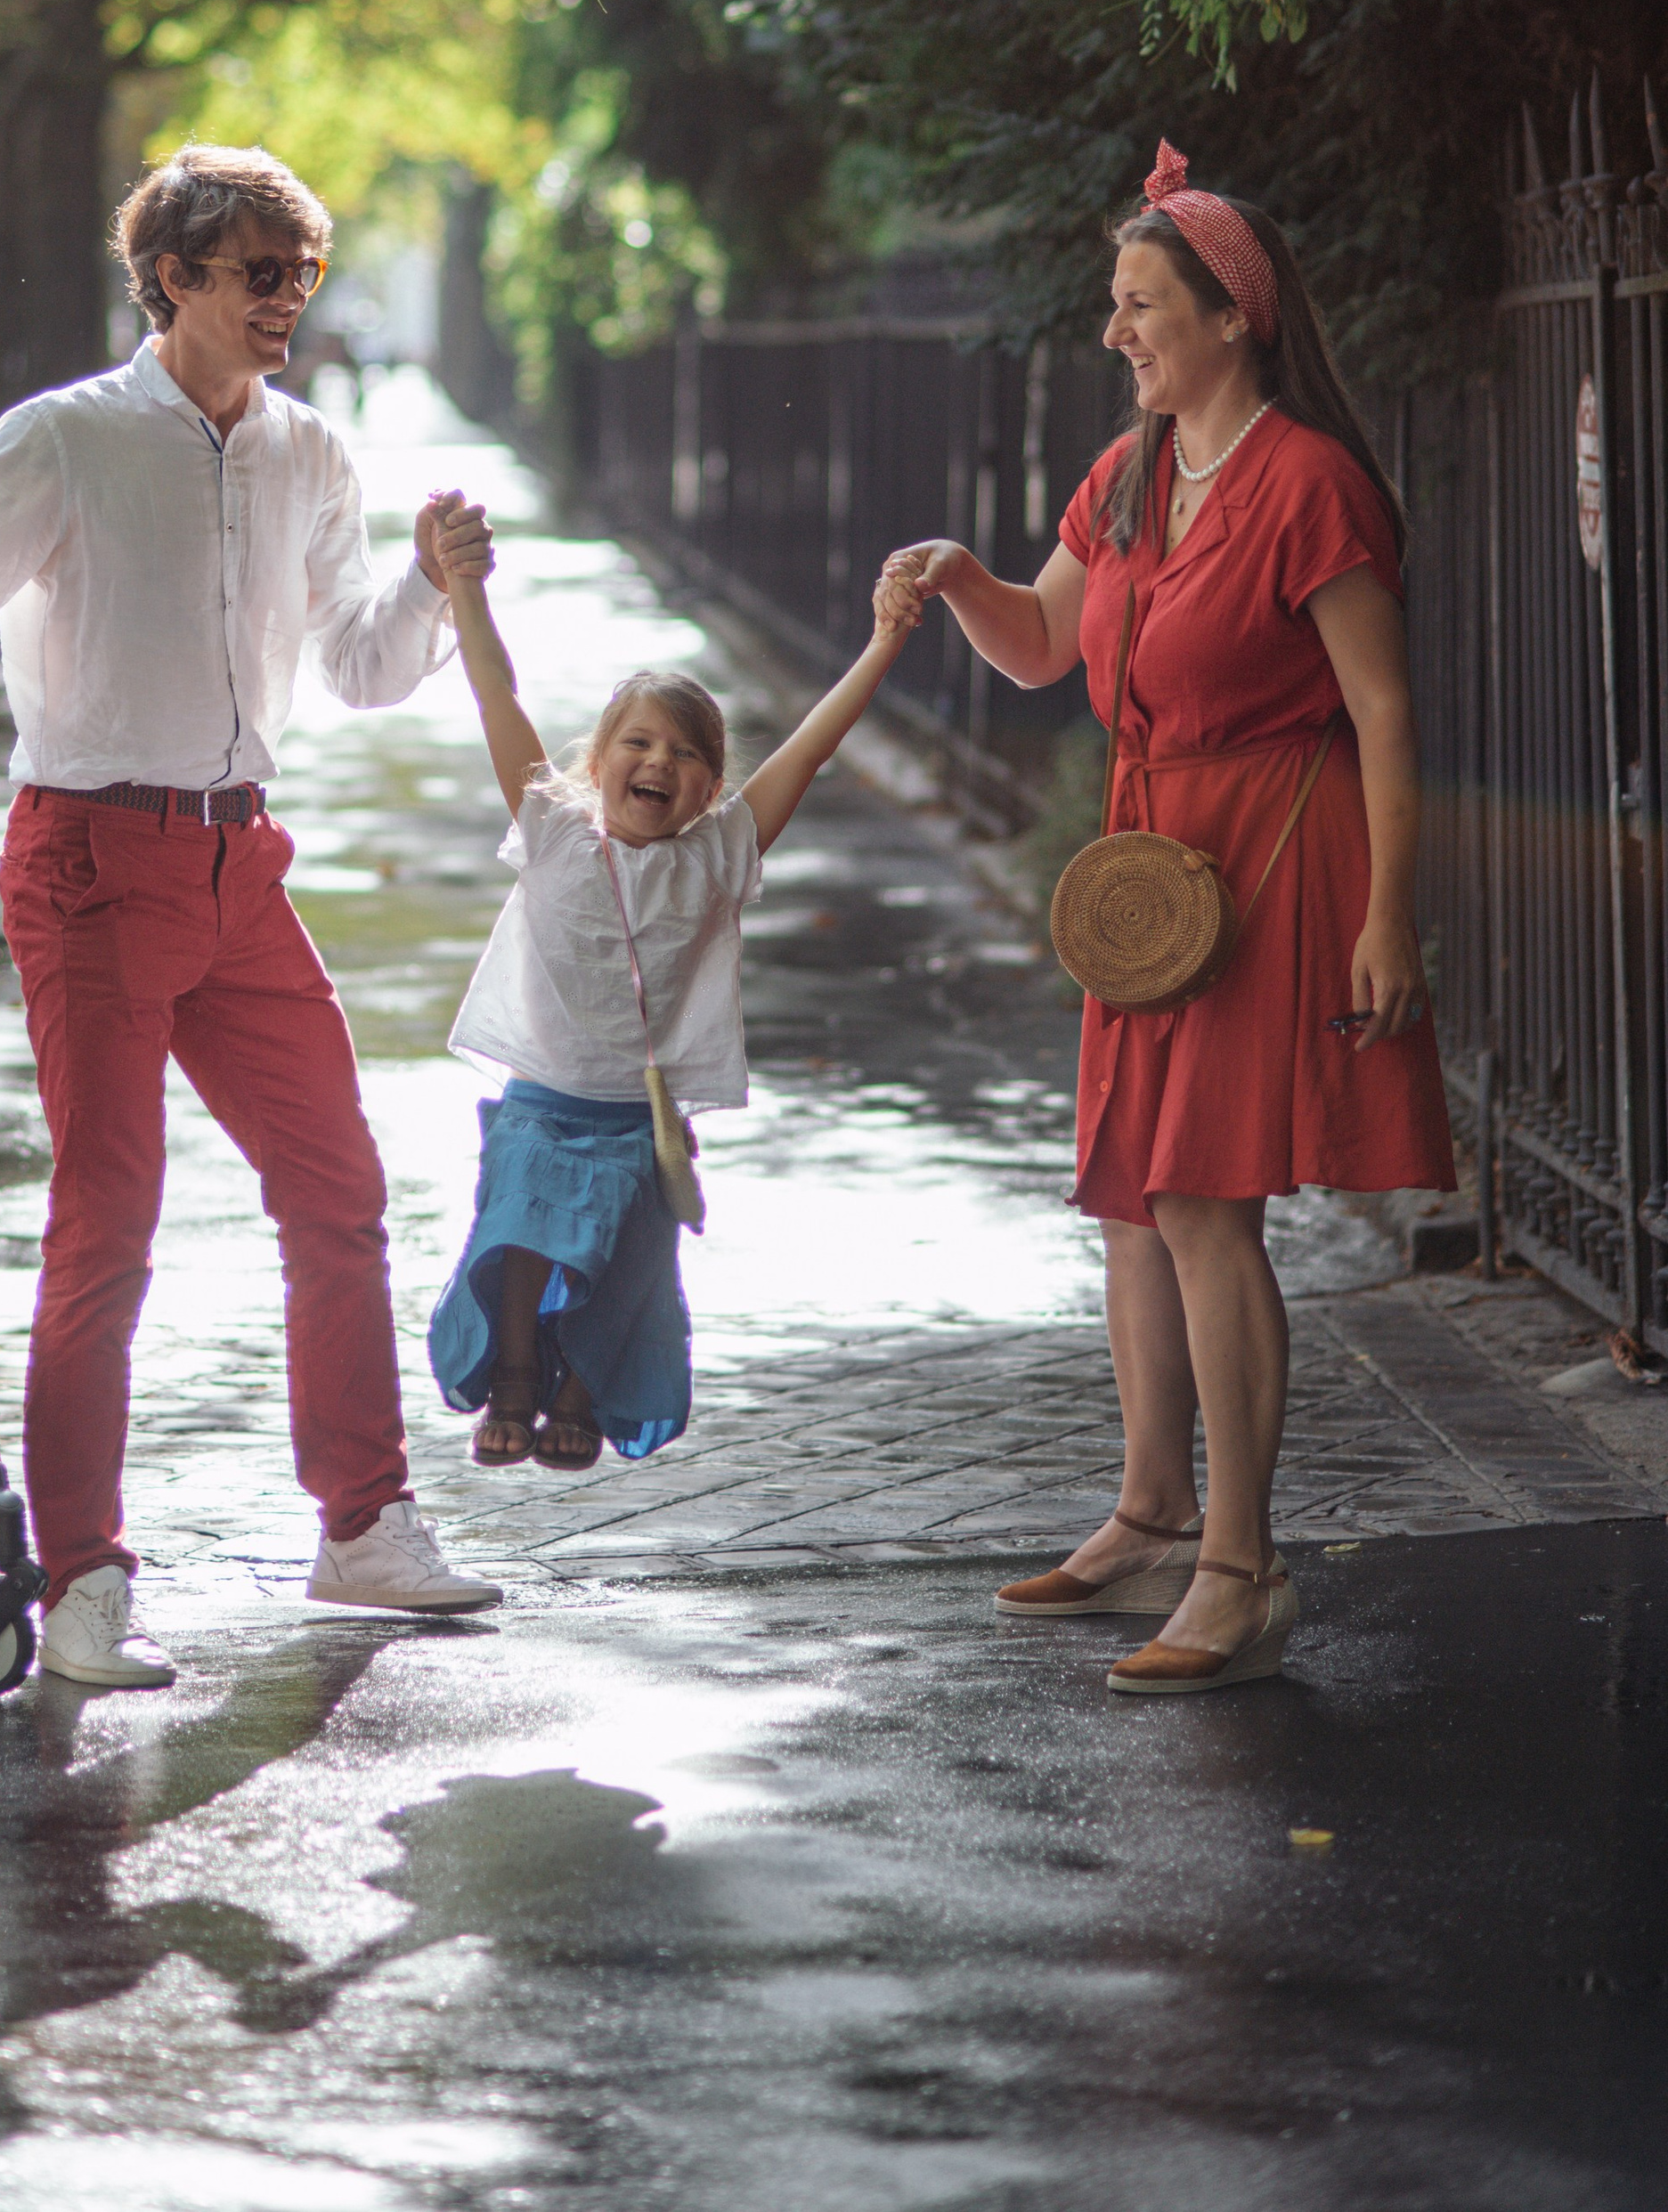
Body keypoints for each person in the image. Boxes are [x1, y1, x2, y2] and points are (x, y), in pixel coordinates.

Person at [0, 142, 500, 1693]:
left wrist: (425, 585)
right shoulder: (67, 439)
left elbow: (357, 664)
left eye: (304, 272)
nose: (288, 298)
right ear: (173, 278)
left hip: (238, 865)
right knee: (110, 1219)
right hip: (87, 861)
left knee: (338, 1183)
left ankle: (363, 1522)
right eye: (260, 271)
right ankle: (79, 1578)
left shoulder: (309, 452)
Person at [892, 140, 1456, 1696]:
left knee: (1206, 1200)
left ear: (1232, 317)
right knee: (1135, 1195)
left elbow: (1385, 713)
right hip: (1148, 870)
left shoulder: (1311, 482)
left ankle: (1243, 1565)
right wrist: (961, 577)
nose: (1116, 329)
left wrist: (1390, 914)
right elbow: (1040, 643)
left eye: (1142, 303)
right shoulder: (1131, 472)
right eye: (1117, 301)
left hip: (1272, 858)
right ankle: (1151, 1517)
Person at [427, 506, 924, 1467]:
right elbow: (495, 694)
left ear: (709, 790)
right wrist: (465, 590)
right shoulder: (552, 828)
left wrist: (883, 643)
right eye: (639, 742)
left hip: (639, 1119)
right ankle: (517, 1378)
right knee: (517, 1231)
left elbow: (809, 749)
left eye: (686, 753)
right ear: (597, 762)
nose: (659, 760)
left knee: (630, 1267)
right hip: (542, 1098)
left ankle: (581, 1393)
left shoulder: (718, 854)